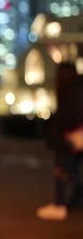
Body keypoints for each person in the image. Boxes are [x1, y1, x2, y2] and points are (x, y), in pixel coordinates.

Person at [38, 63, 83, 220]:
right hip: (75, 136)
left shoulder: (68, 91)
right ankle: (69, 201)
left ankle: (60, 204)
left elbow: (68, 116)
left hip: (70, 136)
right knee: (71, 169)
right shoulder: (77, 88)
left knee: (62, 170)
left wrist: (59, 133)